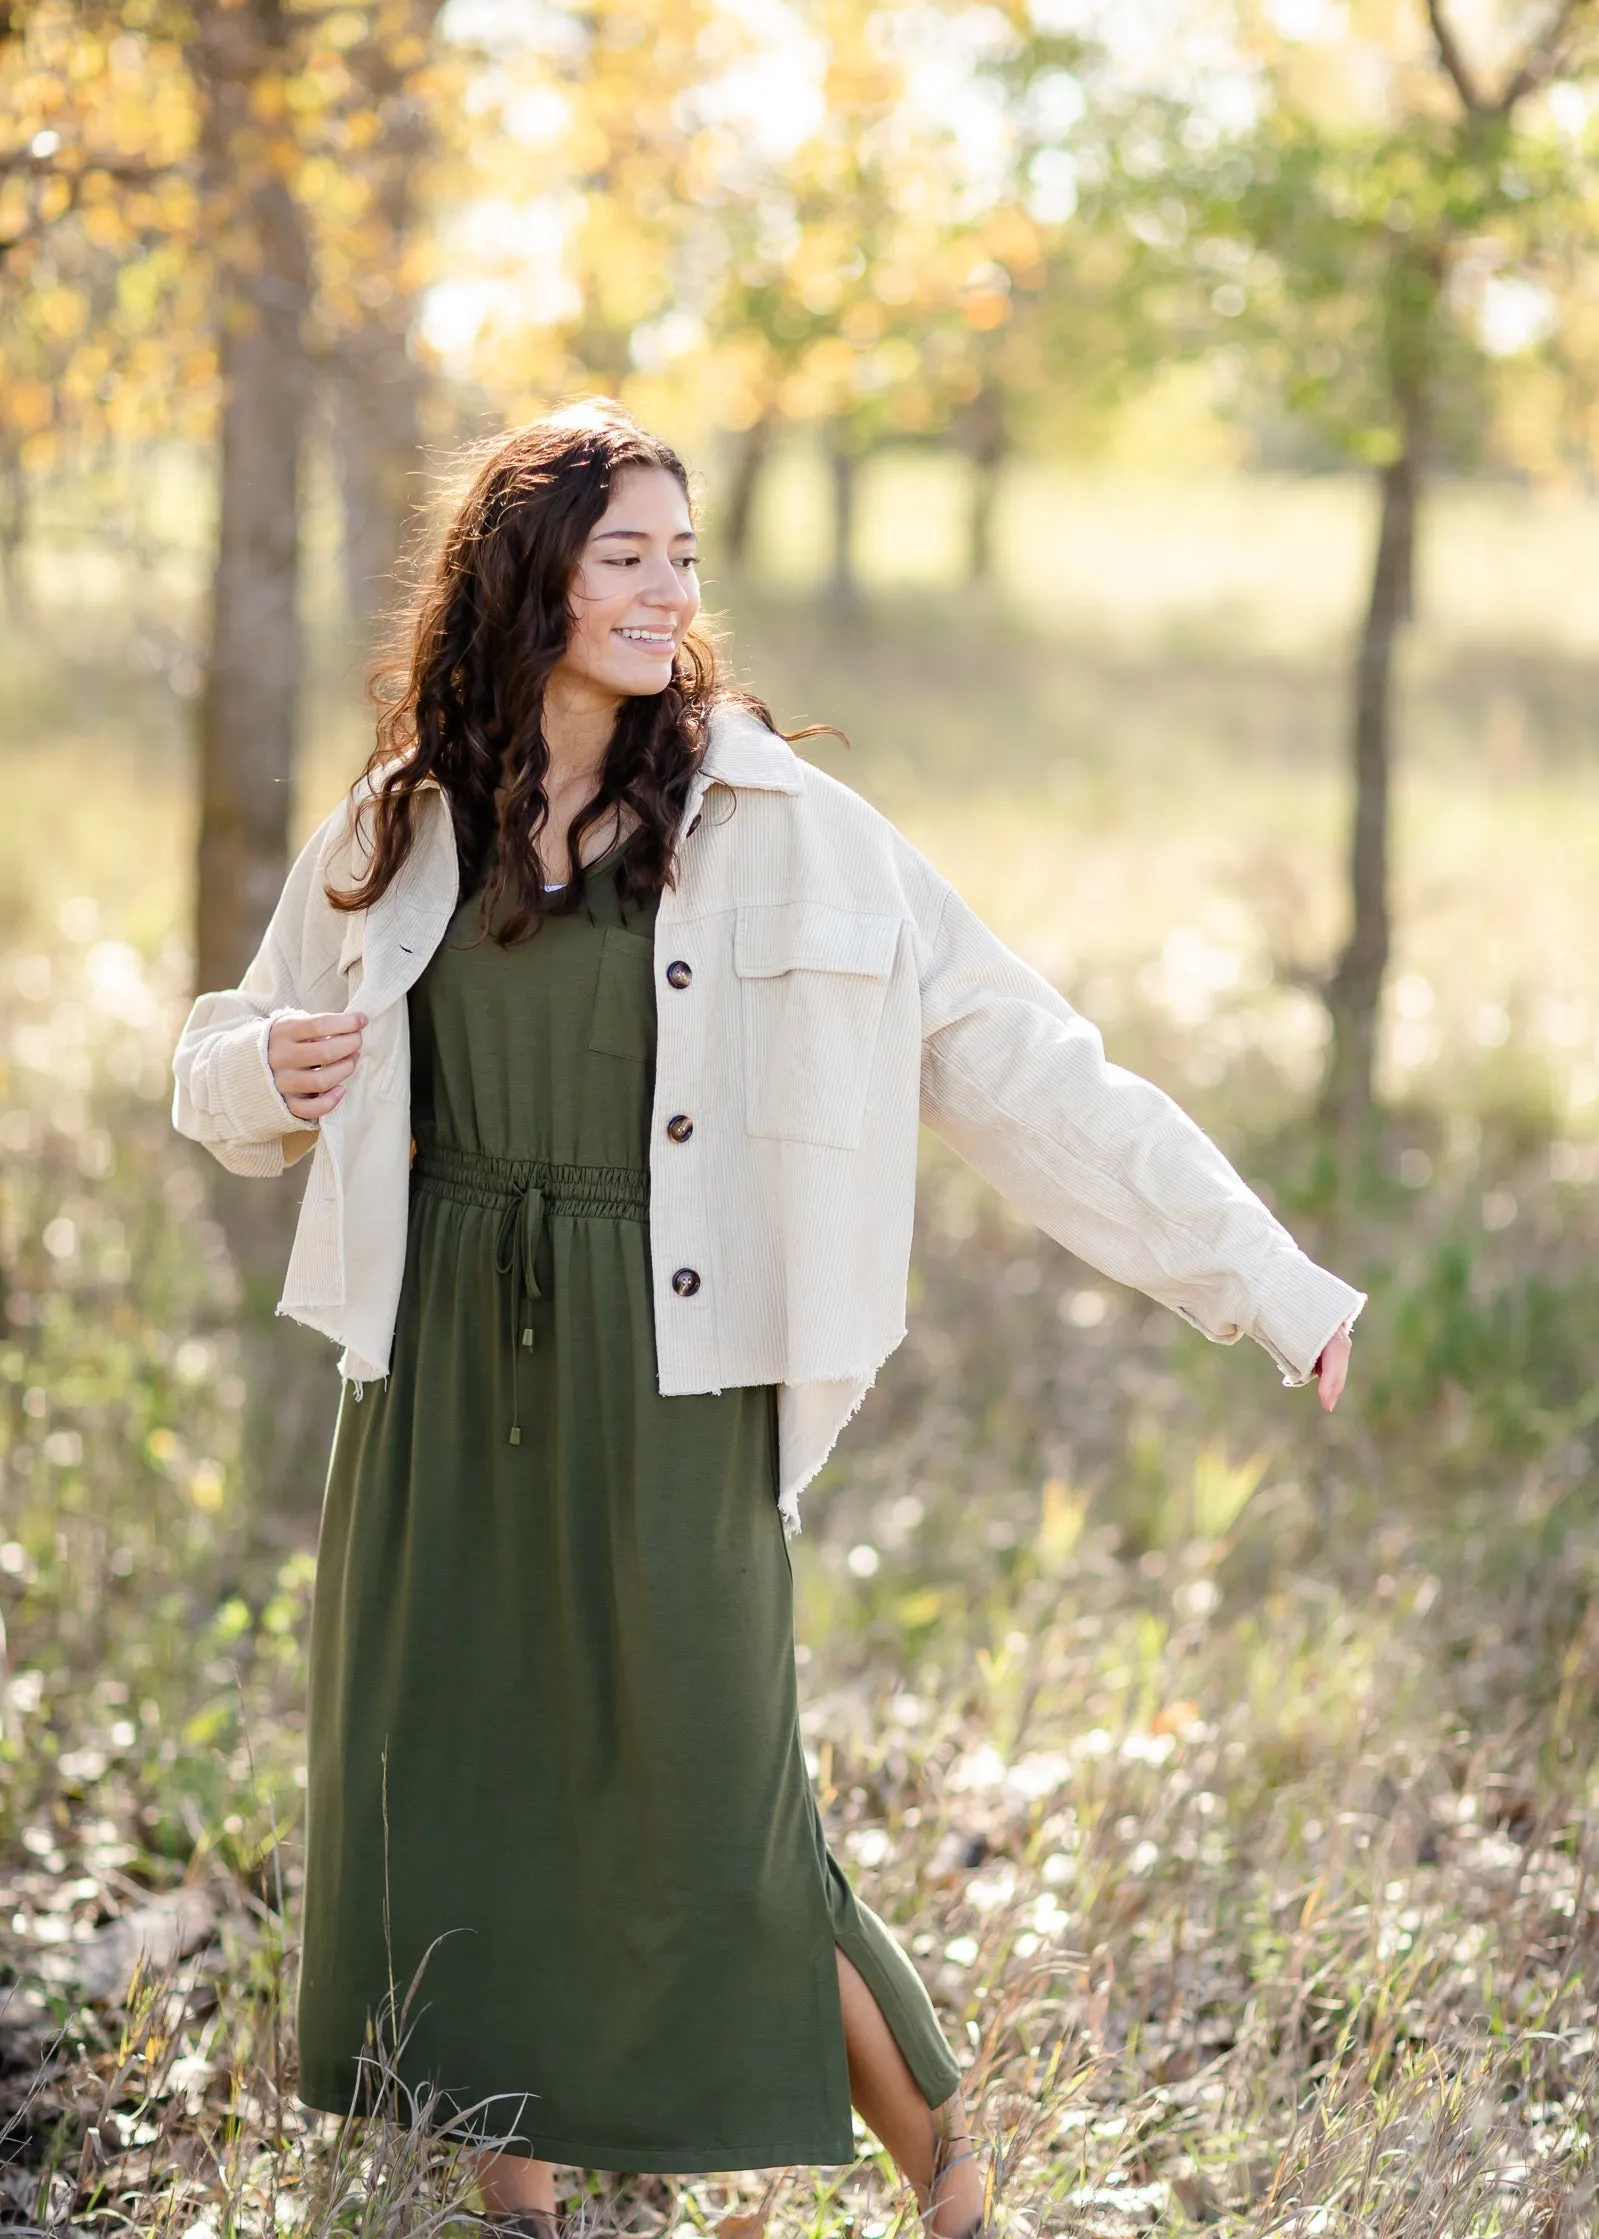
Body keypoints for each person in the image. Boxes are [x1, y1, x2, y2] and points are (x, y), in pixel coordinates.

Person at [171, 400, 1362, 2239]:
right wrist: (272, 1065)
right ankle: (520, 2195)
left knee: (715, 1800)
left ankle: (950, 2168)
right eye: (625, 552)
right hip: (433, 1364)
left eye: (683, 553)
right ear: (526, 575)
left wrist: (1265, 1283)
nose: (666, 590)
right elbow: (215, 1059)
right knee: (456, 1767)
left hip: (668, 1363)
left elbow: (1022, 1061)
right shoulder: (403, 814)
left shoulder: (784, 825)